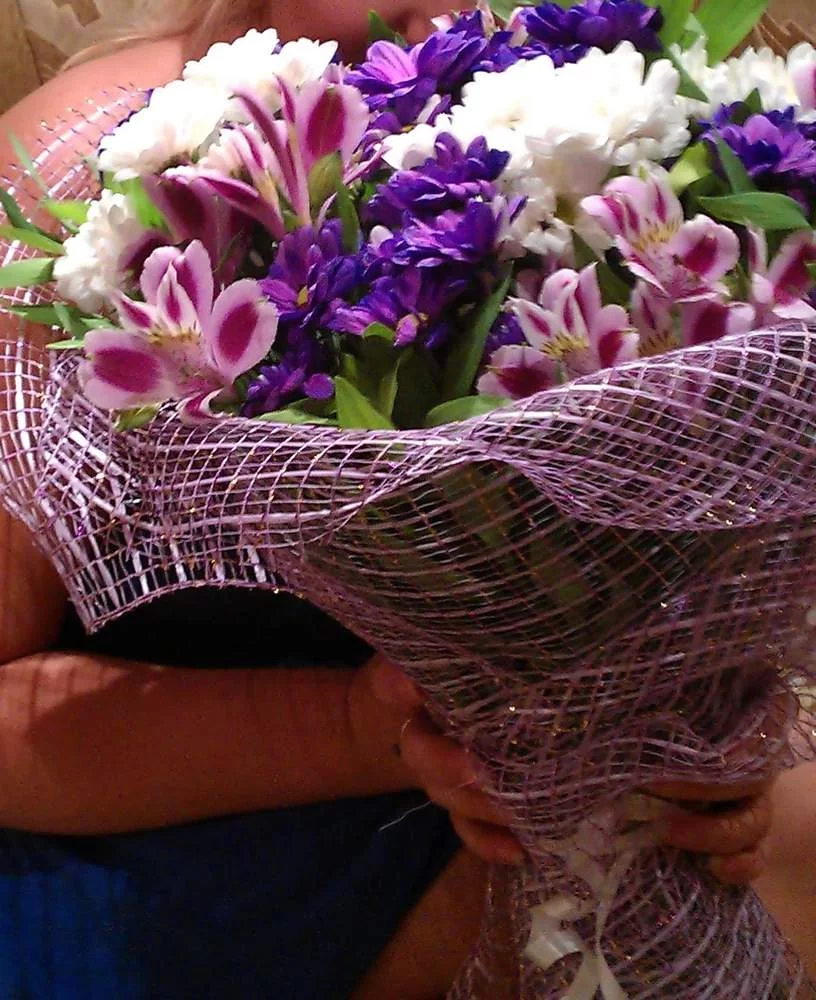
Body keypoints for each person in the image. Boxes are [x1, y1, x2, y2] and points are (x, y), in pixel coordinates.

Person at [0, 2, 793, 996]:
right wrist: (368, 732)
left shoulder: (625, 118)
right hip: (171, 840)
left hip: (512, 799)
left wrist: (706, 745)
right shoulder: (79, 168)